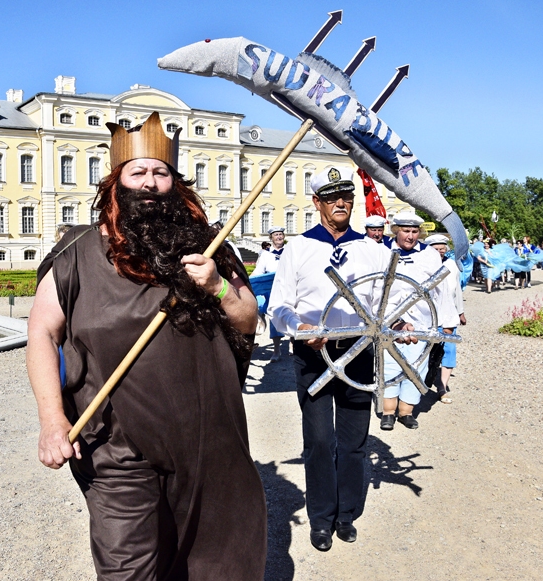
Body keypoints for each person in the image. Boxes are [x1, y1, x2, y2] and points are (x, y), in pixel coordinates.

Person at [26, 112, 267, 580]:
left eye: (161, 173)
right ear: (116, 182)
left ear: (175, 183)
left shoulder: (208, 245)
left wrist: (218, 286)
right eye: (138, 172)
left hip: (206, 438)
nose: (150, 183)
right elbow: (42, 333)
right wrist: (53, 421)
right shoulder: (75, 255)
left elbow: (247, 319)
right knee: (126, 568)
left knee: (214, 558)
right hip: (115, 444)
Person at [269, 165, 402, 552]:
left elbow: (386, 302)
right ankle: (322, 519)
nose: (340, 203)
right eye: (331, 198)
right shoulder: (298, 248)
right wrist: (299, 327)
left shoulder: (373, 249)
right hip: (314, 356)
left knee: (354, 441)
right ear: (317, 203)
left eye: (346, 197)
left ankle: (347, 515)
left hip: (359, 353)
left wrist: (401, 320)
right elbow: (279, 305)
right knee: (320, 440)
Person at [380, 213, 443, 430]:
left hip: (422, 322)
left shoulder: (430, 254)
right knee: (389, 365)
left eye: (415, 232)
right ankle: (388, 411)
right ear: (396, 230)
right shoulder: (382, 251)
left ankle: (406, 412)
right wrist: (393, 319)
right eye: (406, 231)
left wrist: (441, 321)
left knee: (416, 367)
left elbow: (440, 290)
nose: (410, 236)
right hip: (389, 320)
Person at [424, 234, 466, 403]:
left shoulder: (452, 266)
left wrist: (461, 312)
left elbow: (458, 291)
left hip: (449, 315)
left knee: (448, 351)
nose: (440, 252)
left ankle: (442, 386)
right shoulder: (423, 265)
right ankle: (422, 380)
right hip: (429, 317)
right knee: (427, 349)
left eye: (442, 249)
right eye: (436, 249)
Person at [252, 226, 287, 361]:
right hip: (272, 292)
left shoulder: (290, 252)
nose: (279, 237)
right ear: (271, 238)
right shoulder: (265, 255)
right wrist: (250, 281)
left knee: (295, 317)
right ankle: (276, 350)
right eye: (276, 235)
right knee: (274, 316)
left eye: (281, 234)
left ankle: (292, 346)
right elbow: (258, 271)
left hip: (289, 290)